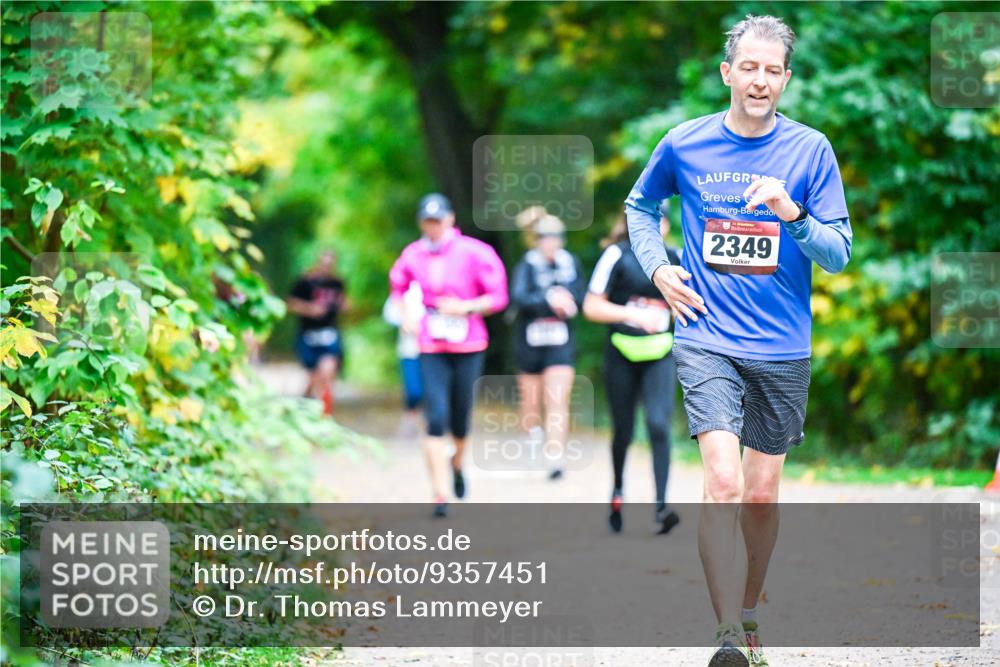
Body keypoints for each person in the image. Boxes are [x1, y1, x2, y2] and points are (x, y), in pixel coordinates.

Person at [625, 15, 852, 667]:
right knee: (722, 482)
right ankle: (726, 631)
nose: (759, 80)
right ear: (728, 73)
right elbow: (641, 207)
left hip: (782, 344)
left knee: (760, 493)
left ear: (785, 78)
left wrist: (794, 214)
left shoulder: (811, 152)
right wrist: (659, 266)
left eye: (771, 70)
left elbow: (837, 253)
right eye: (747, 67)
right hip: (705, 334)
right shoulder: (685, 144)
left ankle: (749, 609)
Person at [389, 194, 509, 518]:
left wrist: (466, 307)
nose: (433, 227)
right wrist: (406, 316)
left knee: (460, 415)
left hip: (468, 342)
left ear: (450, 220)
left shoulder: (474, 252)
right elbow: (398, 289)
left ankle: (457, 463)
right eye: (428, 222)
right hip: (431, 343)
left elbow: (498, 296)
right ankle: (440, 493)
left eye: (438, 221)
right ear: (421, 224)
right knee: (436, 414)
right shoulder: (412, 254)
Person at [583, 208, 681, 535]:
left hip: (660, 354)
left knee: (658, 425)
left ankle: (662, 506)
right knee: (623, 430)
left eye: (662, 220)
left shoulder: (675, 257)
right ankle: (617, 492)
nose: (658, 226)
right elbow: (591, 306)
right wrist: (632, 314)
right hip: (622, 353)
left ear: (667, 226)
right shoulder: (616, 254)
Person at [510, 211, 585, 480]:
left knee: (556, 400)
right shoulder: (526, 265)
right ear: (536, 240)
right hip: (530, 341)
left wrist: (567, 301)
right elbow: (519, 298)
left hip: (560, 342)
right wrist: (549, 299)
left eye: (554, 238)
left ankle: (555, 457)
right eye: (544, 238)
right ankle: (532, 436)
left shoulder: (570, 263)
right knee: (531, 403)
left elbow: (581, 295)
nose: (550, 243)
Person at [287, 249, 347, 416]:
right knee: (314, 376)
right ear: (318, 262)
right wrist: (310, 309)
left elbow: (343, 303)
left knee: (328, 372)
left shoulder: (337, 283)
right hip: (308, 334)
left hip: (329, 333)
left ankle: (326, 413)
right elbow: (291, 303)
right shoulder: (305, 282)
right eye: (324, 263)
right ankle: (305, 403)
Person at [383, 282, 425, 438]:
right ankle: (411, 415)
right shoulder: (404, 287)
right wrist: (405, 322)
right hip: (410, 346)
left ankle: (426, 421)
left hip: (435, 348)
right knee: (413, 388)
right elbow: (390, 312)